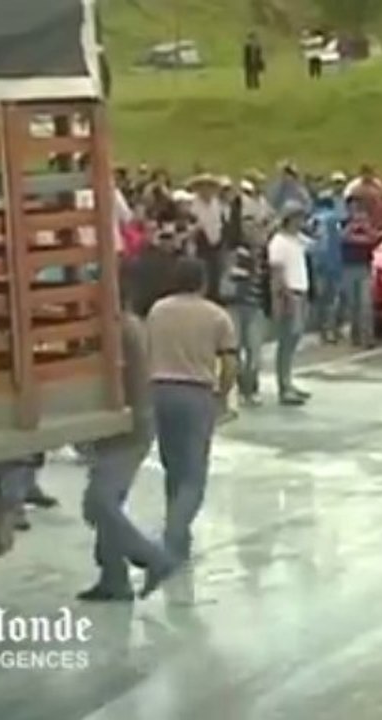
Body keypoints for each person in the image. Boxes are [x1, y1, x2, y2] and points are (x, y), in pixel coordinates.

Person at [78, 309, 179, 602]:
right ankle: (114, 578)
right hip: (128, 424)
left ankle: (154, 558)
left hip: (129, 426)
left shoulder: (120, 327)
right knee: (107, 506)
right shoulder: (126, 323)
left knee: (98, 503)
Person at [146, 258, 238, 563]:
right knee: (194, 473)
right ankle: (174, 533)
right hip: (196, 393)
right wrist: (222, 394)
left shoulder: (157, 311)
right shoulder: (216, 316)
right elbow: (230, 363)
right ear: (203, 282)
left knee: (173, 466)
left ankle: (179, 536)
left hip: (158, 390)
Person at [224, 200, 270, 407]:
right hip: (239, 306)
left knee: (255, 350)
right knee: (240, 348)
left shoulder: (264, 253)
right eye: (249, 224)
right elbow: (231, 280)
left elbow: (267, 280)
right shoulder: (238, 253)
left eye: (257, 224)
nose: (255, 228)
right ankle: (243, 388)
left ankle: (252, 387)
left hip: (256, 306)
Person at [269, 202, 314, 406]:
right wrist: (283, 296)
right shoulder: (278, 242)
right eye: (297, 218)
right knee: (286, 342)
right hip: (290, 294)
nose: (301, 222)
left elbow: (315, 244)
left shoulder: (297, 240)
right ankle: (283, 386)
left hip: (301, 292)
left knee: (294, 340)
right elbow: (277, 273)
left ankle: (289, 381)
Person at [341, 196, 382, 348]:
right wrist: (353, 227)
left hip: (364, 266)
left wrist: (365, 229)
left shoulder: (367, 225)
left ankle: (367, 337)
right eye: (352, 208)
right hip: (349, 268)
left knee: (365, 304)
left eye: (358, 208)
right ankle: (355, 335)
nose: (356, 212)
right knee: (353, 304)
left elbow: (374, 238)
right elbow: (343, 238)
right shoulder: (344, 223)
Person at [309, 191, 346, 343]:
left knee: (322, 300)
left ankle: (323, 331)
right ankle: (333, 330)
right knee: (334, 299)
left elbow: (314, 241)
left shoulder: (314, 219)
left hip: (319, 263)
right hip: (335, 262)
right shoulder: (335, 218)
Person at [187, 174, 225, 302]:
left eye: (209, 187)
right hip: (200, 243)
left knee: (216, 272)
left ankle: (215, 295)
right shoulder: (193, 205)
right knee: (203, 272)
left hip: (216, 242)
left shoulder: (216, 203)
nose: (207, 190)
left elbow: (219, 222)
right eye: (203, 187)